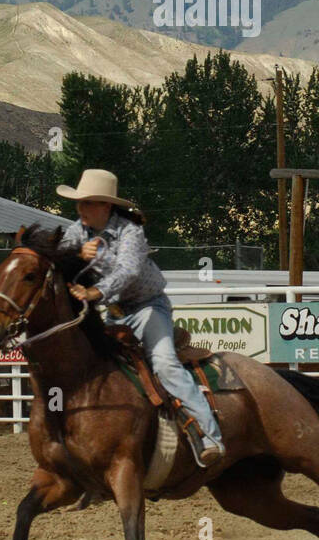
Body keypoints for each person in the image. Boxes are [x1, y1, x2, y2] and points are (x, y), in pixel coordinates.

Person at [56, 168, 226, 467]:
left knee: (164, 363)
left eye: (88, 203)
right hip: (115, 313)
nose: (80, 209)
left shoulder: (130, 232)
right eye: (79, 203)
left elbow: (128, 271)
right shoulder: (76, 232)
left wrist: (95, 292)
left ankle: (211, 437)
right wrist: (76, 255)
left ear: (106, 206)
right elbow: (56, 259)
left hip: (148, 307)